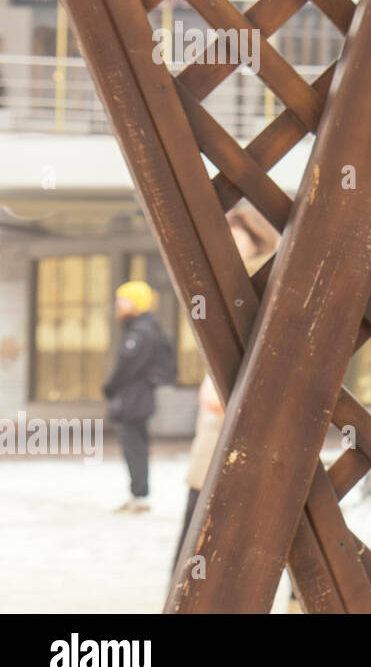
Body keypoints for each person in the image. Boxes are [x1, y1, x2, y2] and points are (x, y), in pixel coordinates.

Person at [172, 205, 278, 573]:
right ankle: (186, 583)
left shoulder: (260, 283)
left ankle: (188, 582)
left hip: (248, 405)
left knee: (257, 509)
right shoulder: (223, 282)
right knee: (205, 504)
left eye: (238, 240)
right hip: (222, 403)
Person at [103, 280, 177, 514]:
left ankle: (139, 497)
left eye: (122, 300)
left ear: (136, 303)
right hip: (138, 397)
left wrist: (109, 387)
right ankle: (138, 494)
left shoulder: (140, 332)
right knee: (135, 446)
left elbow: (127, 367)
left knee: (134, 446)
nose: (117, 305)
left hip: (133, 399)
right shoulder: (146, 329)